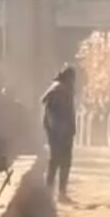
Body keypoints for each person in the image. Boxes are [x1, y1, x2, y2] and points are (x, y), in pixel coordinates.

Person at [41, 65, 76, 202]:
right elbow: (52, 113)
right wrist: (58, 132)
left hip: (61, 131)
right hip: (59, 132)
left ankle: (56, 193)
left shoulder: (61, 89)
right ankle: (51, 193)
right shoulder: (59, 90)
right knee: (58, 161)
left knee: (60, 162)